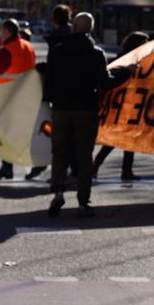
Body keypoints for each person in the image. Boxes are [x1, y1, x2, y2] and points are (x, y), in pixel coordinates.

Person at [43, 12, 114, 217]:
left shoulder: (57, 51)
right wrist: (126, 72)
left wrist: (47, 101)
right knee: (84, 156)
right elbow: (104, 83)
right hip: (86, 110)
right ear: (91, 29)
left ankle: (58, 192)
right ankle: (83, 200)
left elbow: (50, 79)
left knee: (60, 153)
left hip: (61, 109)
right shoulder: (96, 53)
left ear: (73, 26)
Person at [92, 30, 150, 183]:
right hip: (120, 106)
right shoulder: (122, 60)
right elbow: (112, 79)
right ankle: (97, 165)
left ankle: (126, 170)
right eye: (144, 43)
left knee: (129, 139)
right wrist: (127, 71)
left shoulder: (141, 61)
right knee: (116, 139)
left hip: (132, 106)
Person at [0, 18, 39, 180]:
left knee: (5, 135)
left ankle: (7, 168)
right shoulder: (28, 46)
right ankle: (34, 163)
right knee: (24, 133)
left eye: (1, 31)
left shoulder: (7, 49)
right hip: (27, 93)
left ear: (8, 32)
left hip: (9, 95)